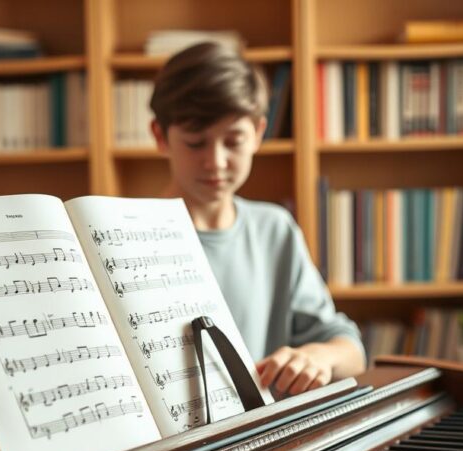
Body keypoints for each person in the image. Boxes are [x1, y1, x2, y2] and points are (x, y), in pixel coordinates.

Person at [149, 41, 366, 398]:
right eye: (195, 143)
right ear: (160, 136)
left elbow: (352, 350)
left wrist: (318, 357)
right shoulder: (120, 237)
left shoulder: (274, 229)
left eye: (233, 141)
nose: (216, 162)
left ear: (258, 133)